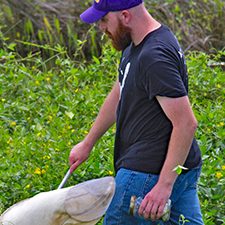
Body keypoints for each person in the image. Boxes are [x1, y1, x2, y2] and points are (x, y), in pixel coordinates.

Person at [69, 0, 204, 224]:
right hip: (181, 167)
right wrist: (88, 143)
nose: (101, 28)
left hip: (145, 175)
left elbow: (186, 124)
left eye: (104, 20)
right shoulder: (135, 44)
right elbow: (121, 90)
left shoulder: (154, 56)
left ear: (125, 15)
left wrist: (164, 185)